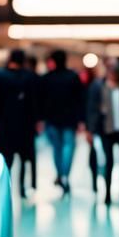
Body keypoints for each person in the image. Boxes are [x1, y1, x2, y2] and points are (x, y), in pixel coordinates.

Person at [86, 58, 119, 206]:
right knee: (108, 161)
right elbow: (92, 109)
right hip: (107, 129)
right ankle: (108, 193)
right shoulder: (99, 86)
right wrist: (90, 129)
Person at [0, 48, 39, 198]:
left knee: (6, 159)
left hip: (5, 125)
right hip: (26, 125)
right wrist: (37, 121)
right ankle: (23, 188)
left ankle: (6, 187)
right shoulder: (30, 77)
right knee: (25, 159)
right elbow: (35, 102)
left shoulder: (0, 76)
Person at [40, 49, 84, 195]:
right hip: (69, 119)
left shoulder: (47, 78)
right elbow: (80, 100)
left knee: (57, 148)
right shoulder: (73, 77)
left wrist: (42, 118)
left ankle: (60, 174)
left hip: (52, 119)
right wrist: (81, 120)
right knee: (68, 147)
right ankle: (65, 175)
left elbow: (42, 101)